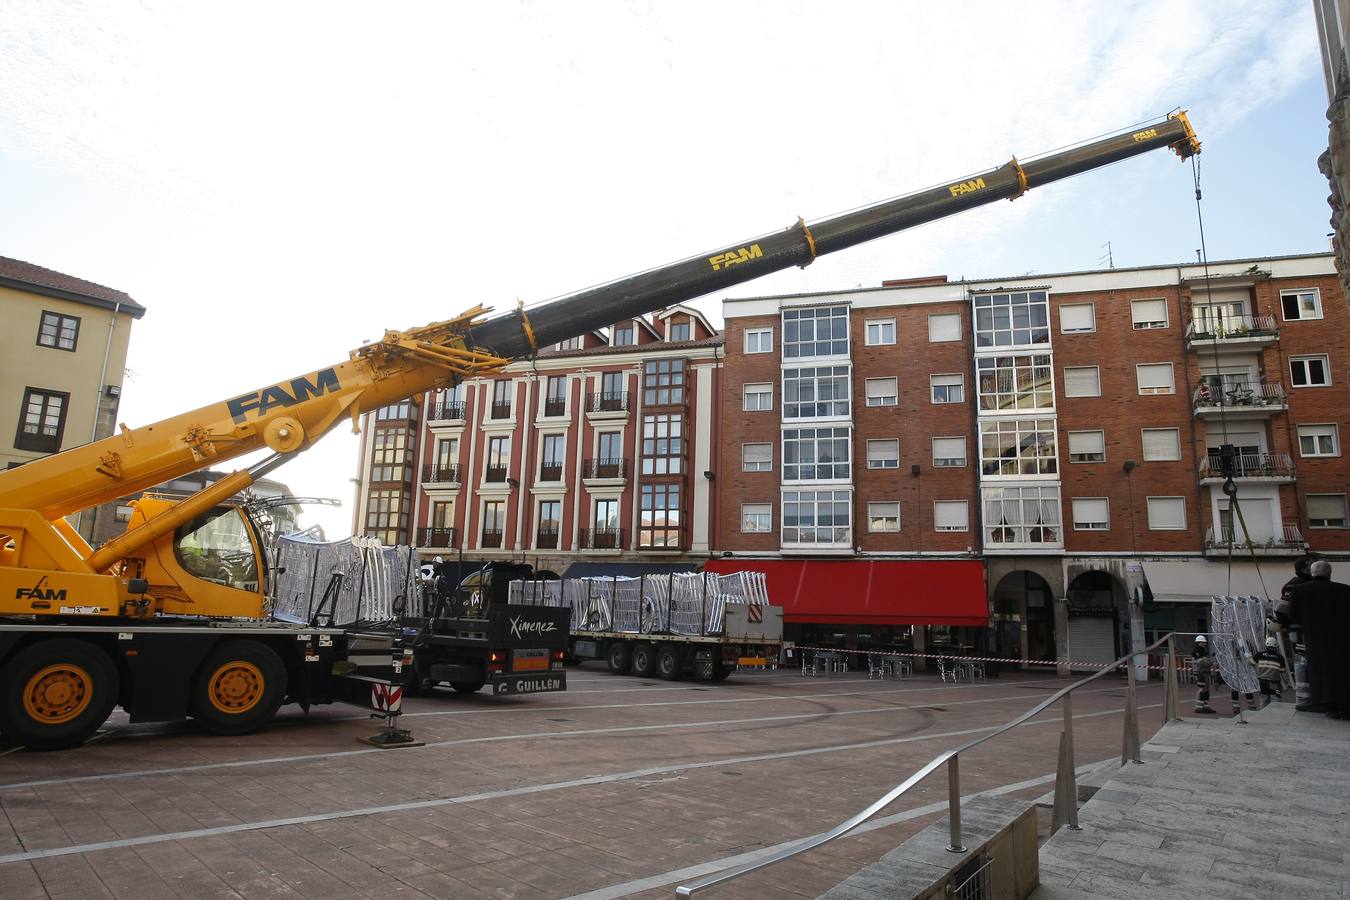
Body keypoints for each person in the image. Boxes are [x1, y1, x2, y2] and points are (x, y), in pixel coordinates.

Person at [1282, 559, 1350, 718]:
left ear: (1312, 573)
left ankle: (1328, 705)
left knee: (1319, 671)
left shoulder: (1299, 590)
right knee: (1342, 670)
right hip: (1342, 638)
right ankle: (1345, 705)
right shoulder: (1345, 590)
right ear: (1330, 573)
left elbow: (1292, 613)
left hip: (1314, 637)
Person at [1277, 554, 1317, 708]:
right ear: (1304, 568)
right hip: (1300, 630)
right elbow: (1281, 609)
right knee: (1302, 663)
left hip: (1305, 629)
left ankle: (1309, 697)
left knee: (1306, 663)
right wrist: (1287, 625)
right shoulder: (1293, 585)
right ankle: (1304, 699)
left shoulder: (1304, 584)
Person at [1248, 636, 1287, 708]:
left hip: (1262, 682)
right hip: (1274, 682)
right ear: (1276, 645)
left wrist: (1249, 656)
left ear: (1266, 644)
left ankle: (1263, 716)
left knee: (1264, 699)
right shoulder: (1280, 657)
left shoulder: (1259, 654)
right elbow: (1282, 670)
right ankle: (1276, 717)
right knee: (1275, 700)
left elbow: (1250, 663)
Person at [1192, 634, 1216, 714]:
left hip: (1205, 673)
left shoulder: (1202, 651)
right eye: (1203, 642)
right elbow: (1201, 662)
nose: (1204, 644)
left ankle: (1205, 706)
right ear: (1198, 643)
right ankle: (1199, 707)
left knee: (1206, 690)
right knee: (1202, 689)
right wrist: (1210, 662)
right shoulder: (1197, 651)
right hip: (1201, 673)